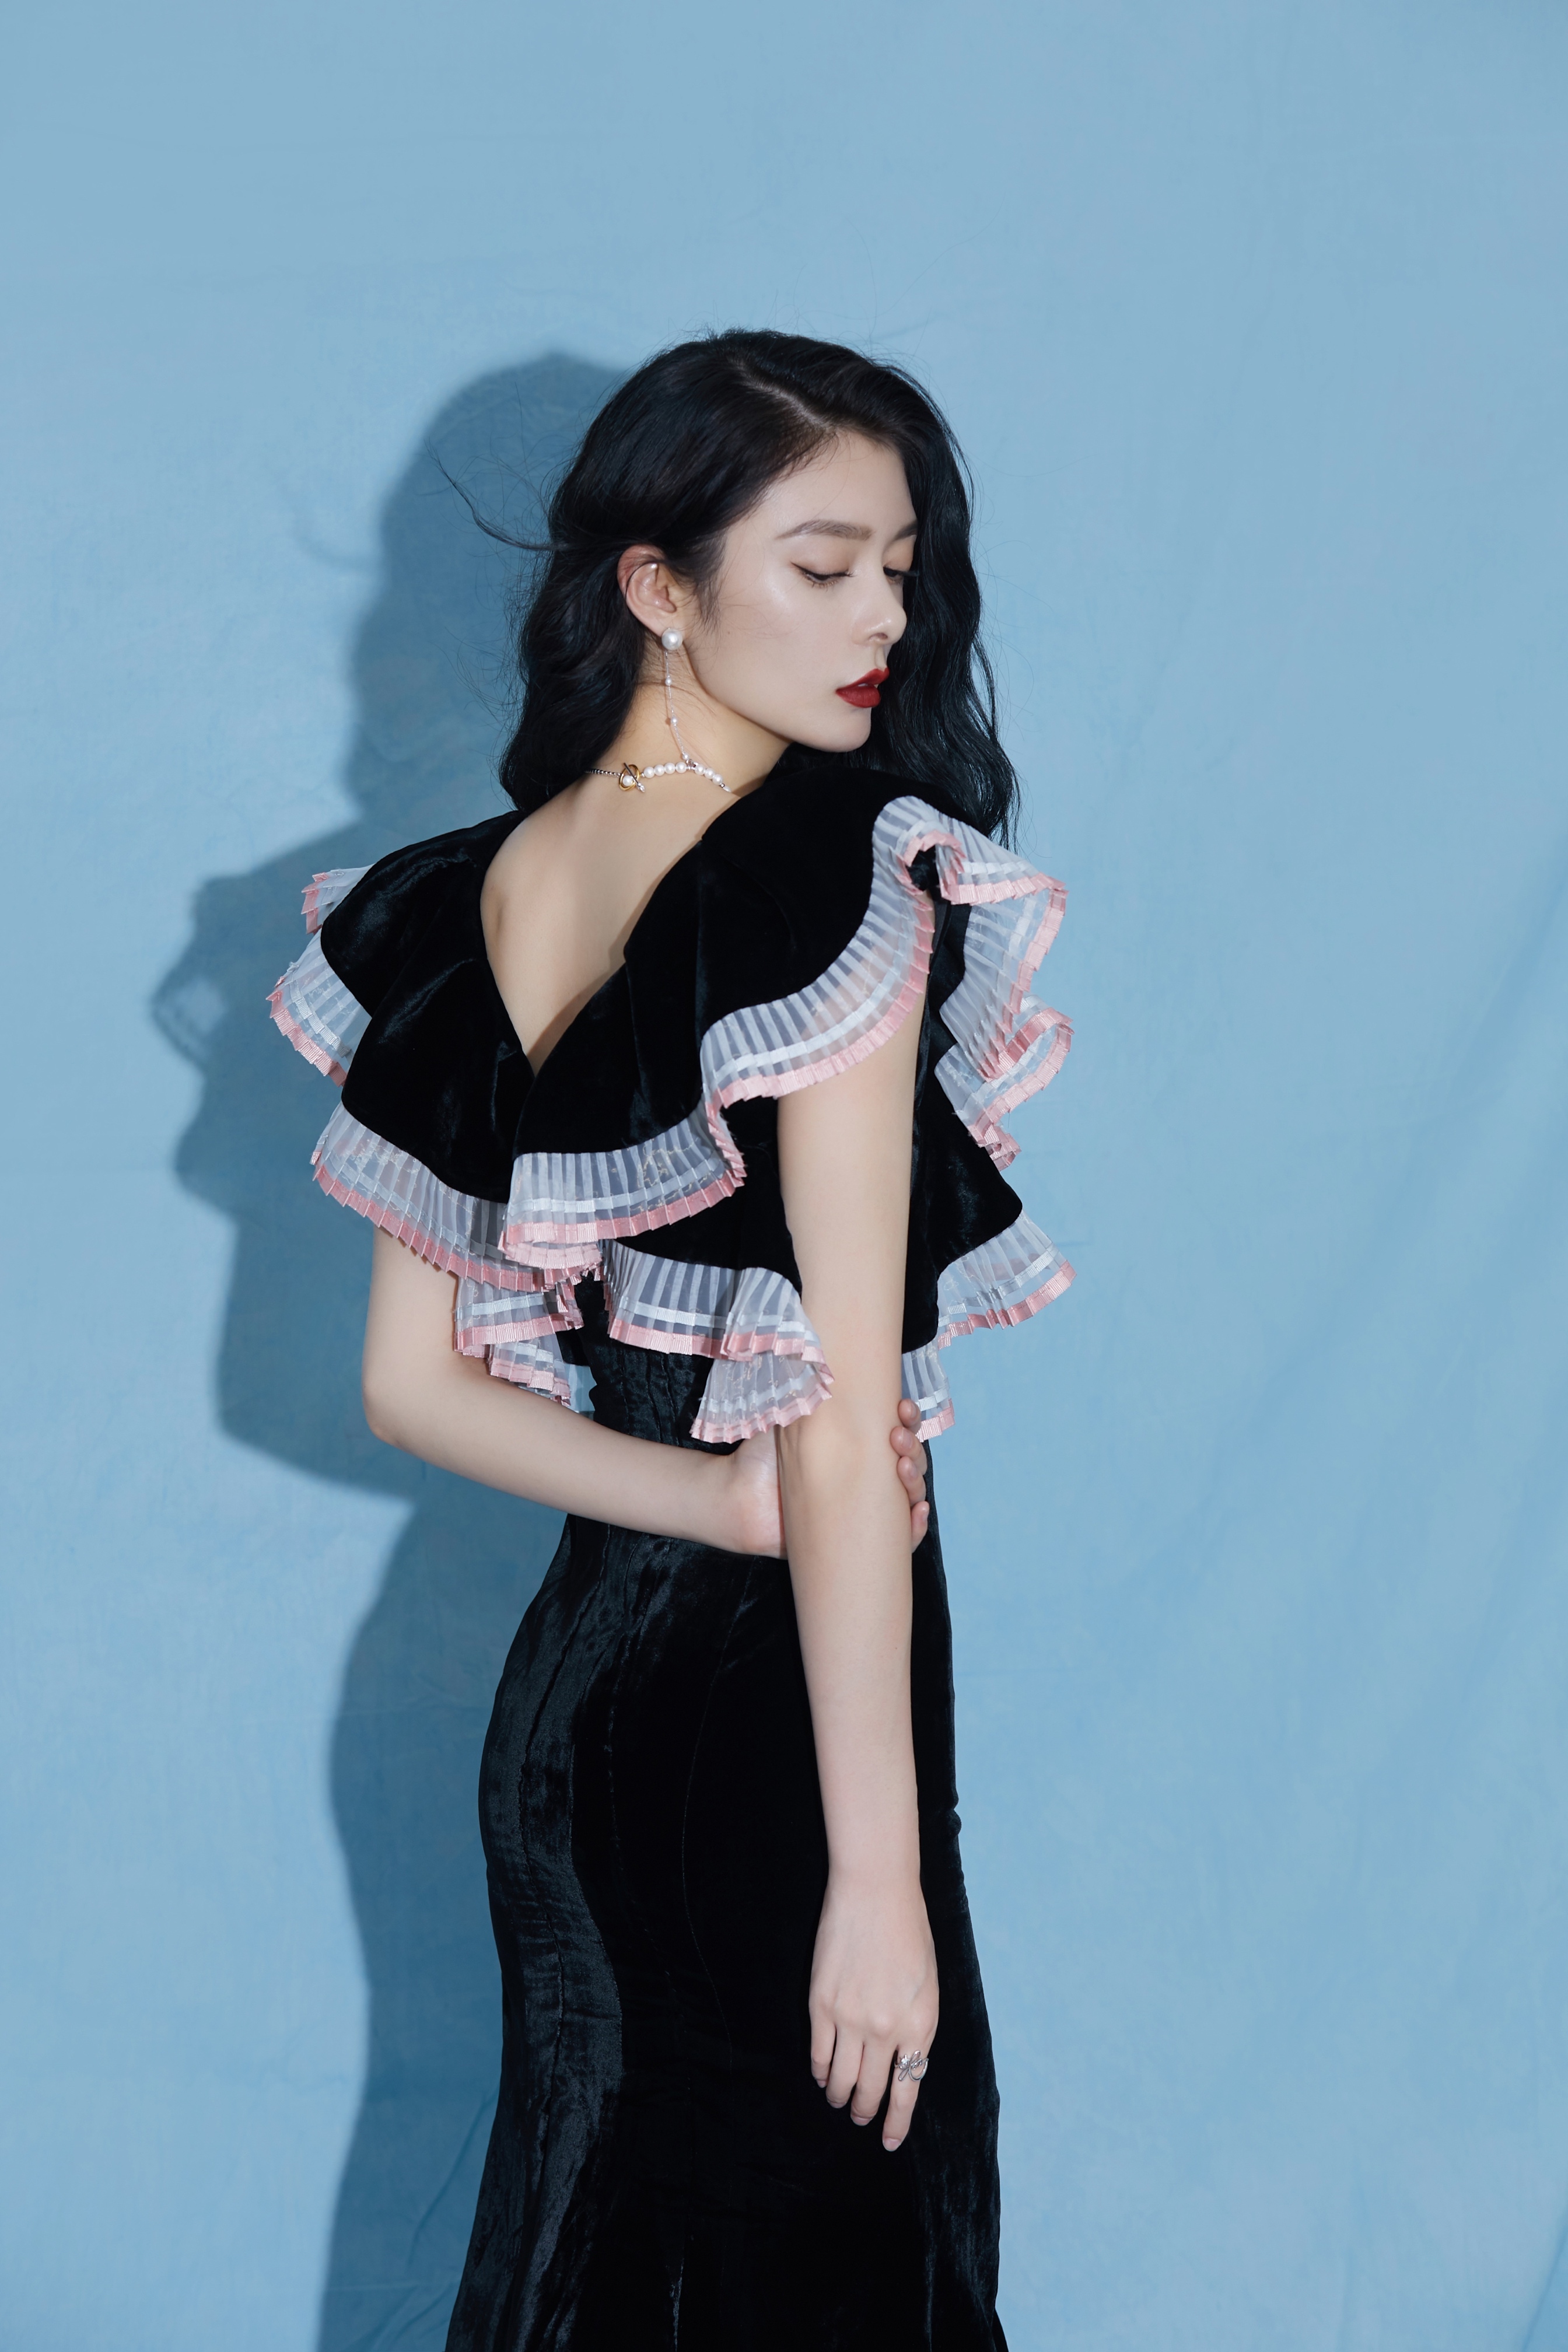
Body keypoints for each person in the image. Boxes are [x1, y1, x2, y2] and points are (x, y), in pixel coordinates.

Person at [270, 329, 1072, 2351]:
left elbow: (409, 1388)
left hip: (572, 1730)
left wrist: (705, 1506)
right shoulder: (831, 888)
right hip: (770, 1748)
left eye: (902, 568)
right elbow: (839, 1423)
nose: (886, 618)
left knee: (601, 2264)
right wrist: (876, 1885)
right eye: (824, 564)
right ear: (658, 584)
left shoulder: (468, 898)